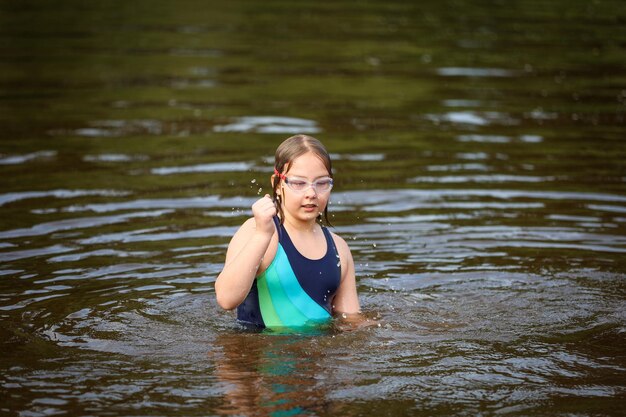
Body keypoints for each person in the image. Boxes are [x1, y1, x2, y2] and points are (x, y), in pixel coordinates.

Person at [215, 134, 361, 329]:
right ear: (277, 184)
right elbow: (226, 299)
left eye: (322, 183)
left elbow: (349, 319)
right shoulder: (258, 230)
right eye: (299, 183)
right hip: (257, 354)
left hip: (317, 357)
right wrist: (262, 235)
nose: (311, 193)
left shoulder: (339, 248)